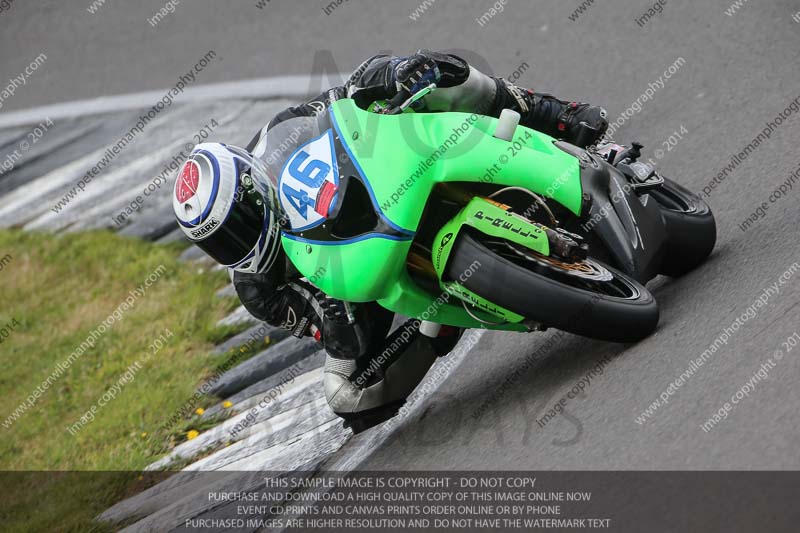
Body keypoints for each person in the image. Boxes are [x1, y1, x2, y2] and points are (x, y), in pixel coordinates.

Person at [171, 50, 609, 432]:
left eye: (239, 224)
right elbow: (339, 338)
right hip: (357, 277)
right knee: (345, 395)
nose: (239, 244)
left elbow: (348, 94)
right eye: (222, 244)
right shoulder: (257, 289)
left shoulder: (282, 132)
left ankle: (550, 114)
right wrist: (329, 308)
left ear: (254, 189)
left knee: (434, 71)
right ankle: (440, 322)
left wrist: (395, 73)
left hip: (380, 182)